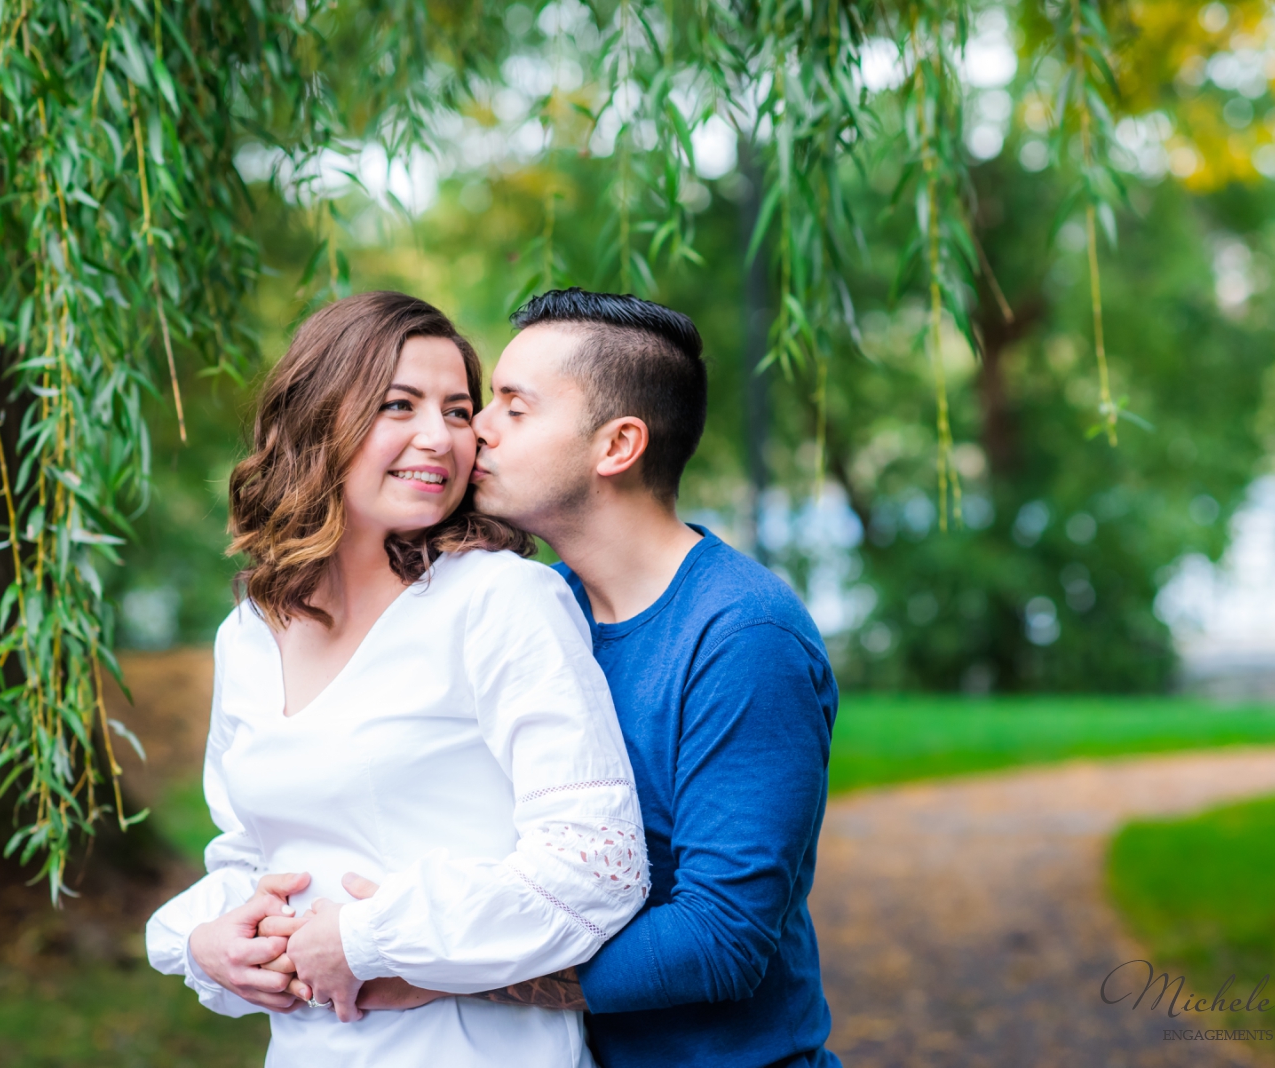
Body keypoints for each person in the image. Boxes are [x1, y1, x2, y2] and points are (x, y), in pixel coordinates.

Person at [144, 290, 647, 1068]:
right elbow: (249, 854)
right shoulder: (248, 634)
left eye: (457, 411)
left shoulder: (499, 600)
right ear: (316, 422)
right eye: (397, 405)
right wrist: (204, 944)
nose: (439, 438)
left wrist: (368, 941)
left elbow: (595, 866)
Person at [467, 289, 841, 1067]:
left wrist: (448, 973)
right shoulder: (540, 609)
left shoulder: (742, 635)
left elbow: (720, 939)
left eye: (514, 406)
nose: (478, 428)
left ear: (617, 445)